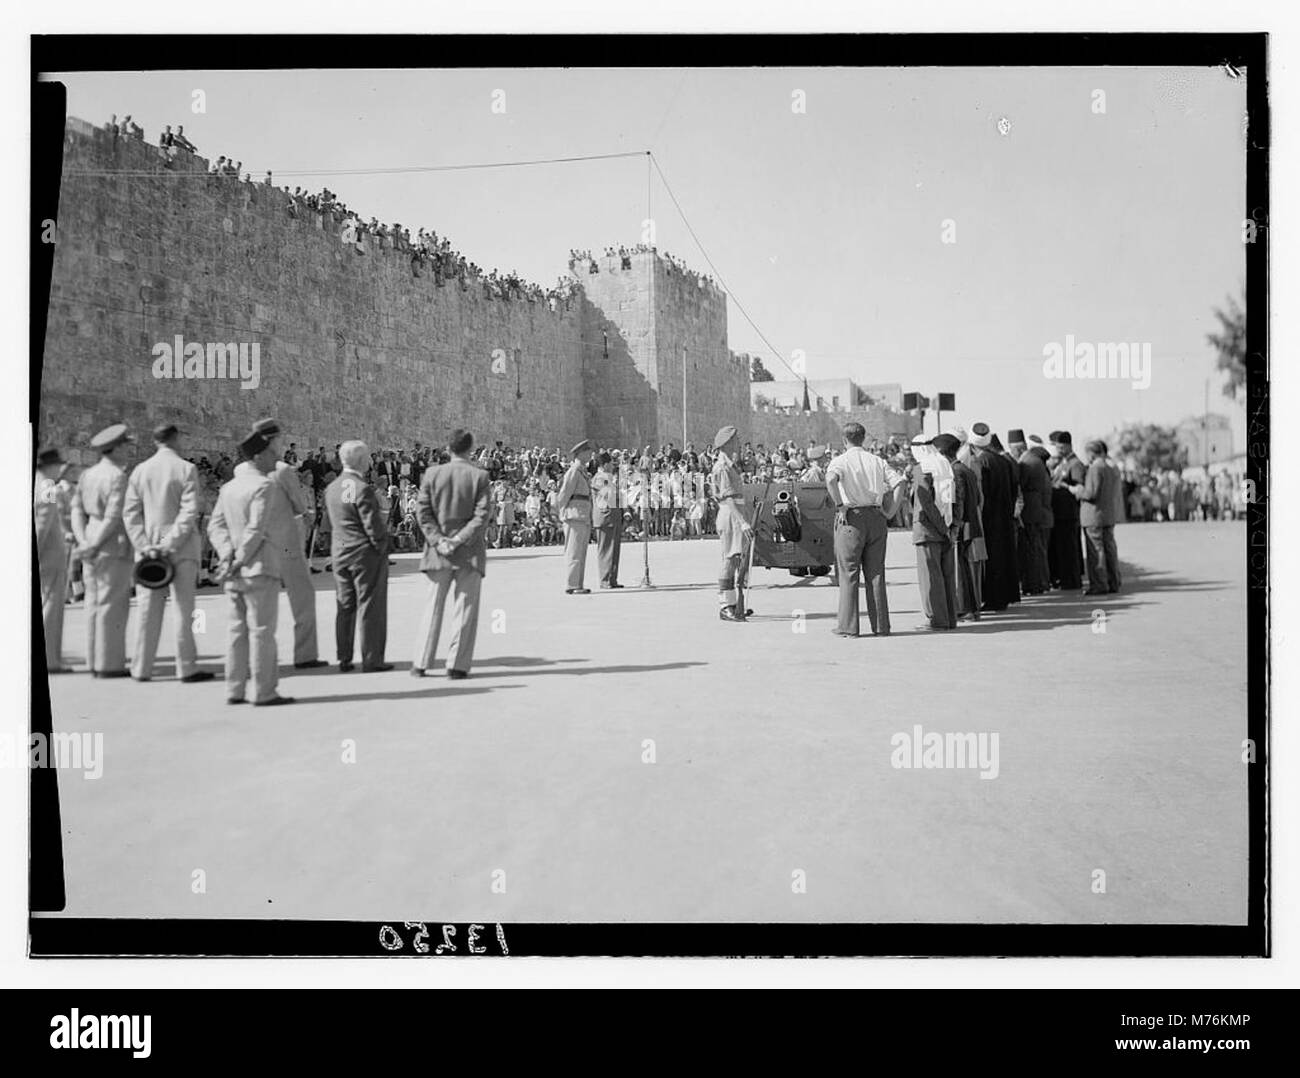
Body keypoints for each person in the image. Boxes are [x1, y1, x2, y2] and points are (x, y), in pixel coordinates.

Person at [207, 429, 295, 706]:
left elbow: (216, 526)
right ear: (259, 455)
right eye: (272, 453)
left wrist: (226, 556)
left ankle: (234, 688)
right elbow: (256, 529)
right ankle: (264, 690)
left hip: (233, 571)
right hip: (257, 566)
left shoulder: (228, 487)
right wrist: (240, 559)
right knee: (262, 631)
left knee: (236, 631)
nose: (276, 458)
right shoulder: (263, 486)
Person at [122, 423, 213, 683]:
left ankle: (141, 668)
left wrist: (145, 545)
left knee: (147, 612)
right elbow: (188, 512)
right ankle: (186, 667)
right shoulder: (185, 468)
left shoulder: (140, 470)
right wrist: (169, 543)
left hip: (149, 551)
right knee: (185, 612)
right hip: (180, 549)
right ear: (176, 438)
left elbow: (130, 513)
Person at [412, 429, 491, 679]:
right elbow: (482, 516)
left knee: (432, 608)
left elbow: (422, 512)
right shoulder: (479, 476)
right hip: (468, 551)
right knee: (465, 608)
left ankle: (421, 662)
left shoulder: (433, 474)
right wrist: (458, 539)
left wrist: (439, 540)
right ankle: (456, 664)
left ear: (448, 448)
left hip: (438, 552)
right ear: (471, 449)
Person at [825, 421, 906, 637]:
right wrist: (890, 512)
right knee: (876, 573)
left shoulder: (840, 461)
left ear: (844, 440)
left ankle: (848, 627)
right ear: (864, 438)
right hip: (876, 516)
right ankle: (881, 626)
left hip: (852, 517)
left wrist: (840, 505)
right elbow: (900, 483)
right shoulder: (877, 461)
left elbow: (831, 480)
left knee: (849, 573)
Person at [71, 423, 135, 677]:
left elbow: (77, 510)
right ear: (115, 448)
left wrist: (83, 540)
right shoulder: (117, 476)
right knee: (113, 605)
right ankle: (109, 664)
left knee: (93, 603)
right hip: (111, 545)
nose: (129, 450)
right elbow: (113, 516)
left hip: (89, 538)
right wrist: (95, 544)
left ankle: (93, 661)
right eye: (126, 445)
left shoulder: (88, 475)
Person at [325, 440, 391, 671]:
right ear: (362, 461)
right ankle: (372, 658)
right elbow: (372, 525)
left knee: (345, 605)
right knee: (370, 606)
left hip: (341, 552)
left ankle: (344, 657)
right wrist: (383, 546)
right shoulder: (361, 488)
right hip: (364, 554)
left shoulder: (333, 487)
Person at [910, 435, 960, 631]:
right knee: (946, 576)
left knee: (930, 578)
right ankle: (949, 618)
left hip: (928, 530)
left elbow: (925, 503)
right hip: (946, 529)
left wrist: (940, 527)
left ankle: (936, 620)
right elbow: (952, 500)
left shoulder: (922, 467)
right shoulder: (945, 465)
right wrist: (949, 528)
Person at [967, 425, 1018, 612]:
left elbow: (981, 495)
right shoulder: (1004, 461)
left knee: (992, 560)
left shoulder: (981, 462)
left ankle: (993, 599)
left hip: (989, 519)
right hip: (1005, 516)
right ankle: (1004, 597)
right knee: (1004, 557)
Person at [935, 432, 983, 622]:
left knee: (959, 571)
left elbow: (956, 503)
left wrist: (952, 527)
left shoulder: (953, 472)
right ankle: (971, 608)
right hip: (970, 524)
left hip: (961, 526)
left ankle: (964, 609)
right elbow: (978, 499)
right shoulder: (966, 469)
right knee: (965, 569)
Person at [34, 447, 73, 673]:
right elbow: (43, 520)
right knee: (51, 607)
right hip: (49, 556)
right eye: (58, 465)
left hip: (45, 554)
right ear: (50, 466)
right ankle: (50, 660)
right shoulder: (47, 486)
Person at [711, 425, 755, 622]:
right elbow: (728, 497)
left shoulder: (730, 464)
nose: (738, 443)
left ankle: (734, 604)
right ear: (728, 443)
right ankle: (725, 605)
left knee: (736, 558)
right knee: (729, 559)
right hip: (731, 514)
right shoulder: (722, 467)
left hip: (735, 513)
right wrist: (743, 521)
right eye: (736, 440)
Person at [1071, 439, 1122, 595]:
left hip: (1094, 516)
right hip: (1107, 515)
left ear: (1092, 453)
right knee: (1110, 550)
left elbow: (1090, 493)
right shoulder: (1109, 467)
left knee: (1096, 552)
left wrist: (1077, 491)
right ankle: (1113, 582)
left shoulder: (1095, 469)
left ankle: (1099, 584)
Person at [1047, 431, 1086, 590]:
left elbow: (1079, 488)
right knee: (1063, 549)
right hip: (1060, 514)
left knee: (1070, 549)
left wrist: (1065, 487)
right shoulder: (1062, 463)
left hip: (1068, 514)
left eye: (1061, 447)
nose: (1059, 450)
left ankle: (1072, 580)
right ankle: (1065, 579)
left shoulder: (1075, 464)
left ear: (1068, 446)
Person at [556, 440, 594, 594]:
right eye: (588, 452)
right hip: (574, 515)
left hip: (582, 515)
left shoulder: (581, 471)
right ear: (581, 453)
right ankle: (572, 584)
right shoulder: (573, 471)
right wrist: (562, 513)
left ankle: (578, 584)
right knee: (574, 551)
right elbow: (564, 495)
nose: (591, 455)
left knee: (581, 552)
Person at [1017, 441, 1055, 595]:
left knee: (1031, 550)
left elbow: (1022, 484)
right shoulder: (1037, 462)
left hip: (1030, 512)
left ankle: (1033, 584)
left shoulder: (1026, 462)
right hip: (1038, 510)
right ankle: (1042, 582)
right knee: (1038, 549)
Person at [591, 452, 624, 588]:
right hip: (605, 516)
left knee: (614, 550)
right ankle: (605, 580)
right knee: (605, 550)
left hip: (613, 516)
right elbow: (607, 494)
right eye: (611, 463)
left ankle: (612, 579)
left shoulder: (608, 477)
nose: (613, 466)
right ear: (605, 465)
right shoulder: (600, 477)